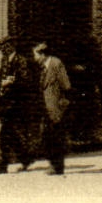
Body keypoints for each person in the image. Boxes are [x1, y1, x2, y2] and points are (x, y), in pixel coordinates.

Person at [0, 37, 36, 173]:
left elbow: (27, 81)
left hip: (16, 104)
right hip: (4, 103)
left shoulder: (21, 60)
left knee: (5, 133)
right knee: (12, 134)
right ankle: (26, 158)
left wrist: (12, 83)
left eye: (3, 47)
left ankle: (2, 165)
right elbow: (0, 80)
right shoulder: (4, 60)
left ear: (10, 46)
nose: (1, 50)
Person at [32, 41, 72, 175]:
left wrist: (62, 102)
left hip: (55, 107)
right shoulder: (41, 66)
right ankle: (52, 164)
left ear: (42, 54)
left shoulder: (56, 63)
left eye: (35, 55)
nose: (34, 58)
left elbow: (66, 84)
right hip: (45, 107)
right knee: (47, 136)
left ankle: (57, 166)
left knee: (56, 136)